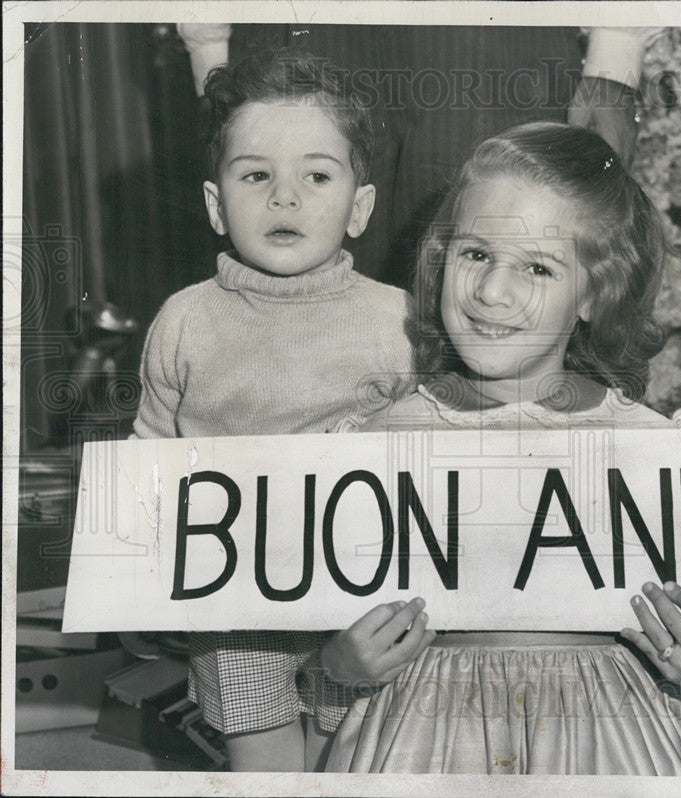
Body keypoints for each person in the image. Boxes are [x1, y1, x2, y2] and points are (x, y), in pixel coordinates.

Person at [322, 122, 681, 775]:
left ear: (596, 294)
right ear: (442, 257)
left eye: (538, 267)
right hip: (425, 743)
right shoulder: (378, 443)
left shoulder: (652, 450)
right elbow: (322, 623)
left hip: (614, 746)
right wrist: (337, 665)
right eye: (475, 254)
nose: (492, 293)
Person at [131, 49, 436, 771]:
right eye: (257, 175)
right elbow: (146, 458)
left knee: (348, 759)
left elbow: (434, 443)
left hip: (357, 603)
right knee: (264, 773)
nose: (285, 198)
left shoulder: (399, 320)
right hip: (233, 612)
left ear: (359, 207)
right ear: (215, 203)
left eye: (317, 175)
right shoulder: (183, 320)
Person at [177, 23, 657, 288]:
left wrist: (617, 45)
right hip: (308, 28)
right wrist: (208, 43)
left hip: (490, 45)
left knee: (489, 278)